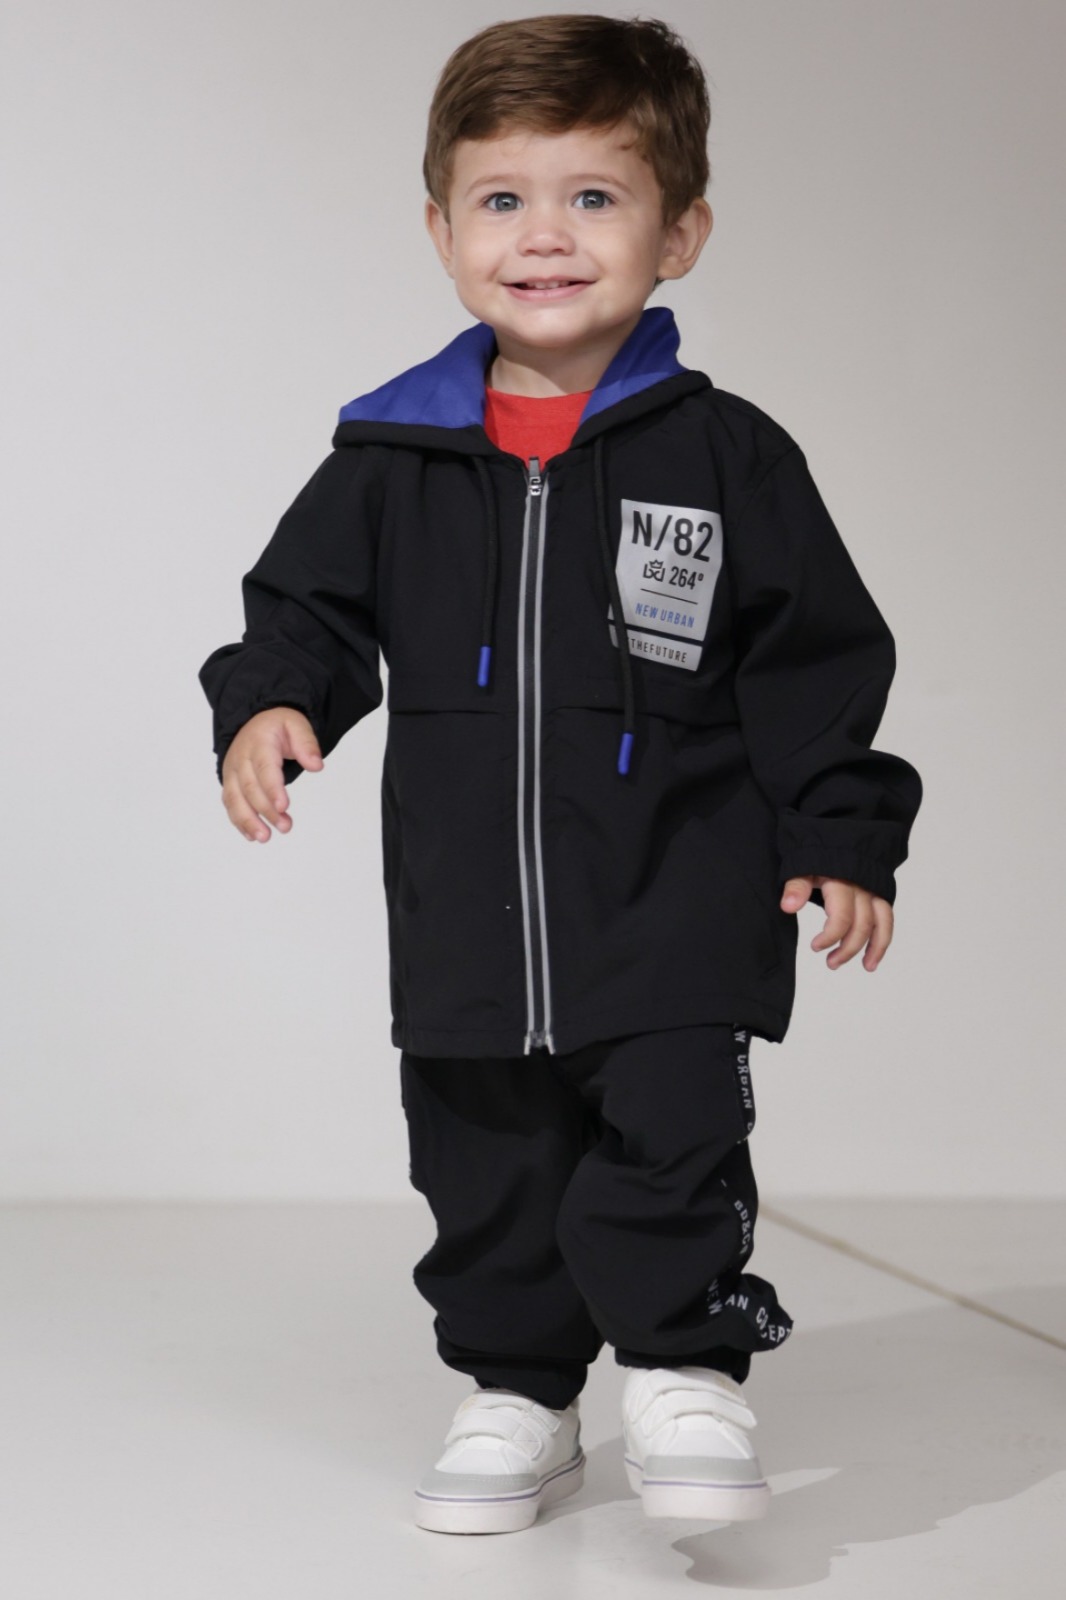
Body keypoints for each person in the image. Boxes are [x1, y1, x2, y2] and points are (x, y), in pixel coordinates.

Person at [198, 13, 923, 1536]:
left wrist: (844, 829)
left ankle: (683, 1368)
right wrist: (270, 704)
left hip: (677, 895)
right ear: (441, 231)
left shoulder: (727, 457)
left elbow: (816, 659)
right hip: (464, 913)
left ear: (679, 234)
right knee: (485, 1168)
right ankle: (518, 1394)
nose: (544, 236)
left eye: (594, 197)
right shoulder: (389, 459)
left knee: (669, 1137)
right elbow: (302, 614)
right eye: (502, 199)